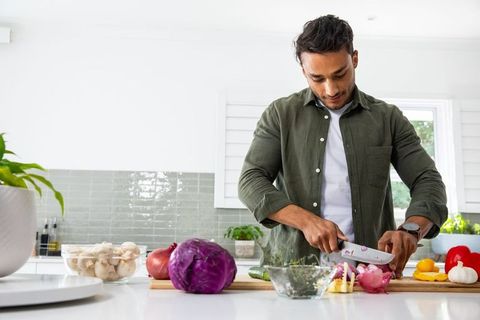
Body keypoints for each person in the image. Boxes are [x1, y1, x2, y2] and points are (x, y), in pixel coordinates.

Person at [238, 14, 447, 277]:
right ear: (303, 71)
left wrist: (411, 230)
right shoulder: (281, 114)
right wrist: (307, 221)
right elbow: (250, 180)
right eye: (317, 78)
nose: (331, 89)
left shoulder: (388, 118)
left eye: (340, 74)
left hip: (372, 276)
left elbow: (428, 180)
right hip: (294, 274)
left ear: (354, 59)